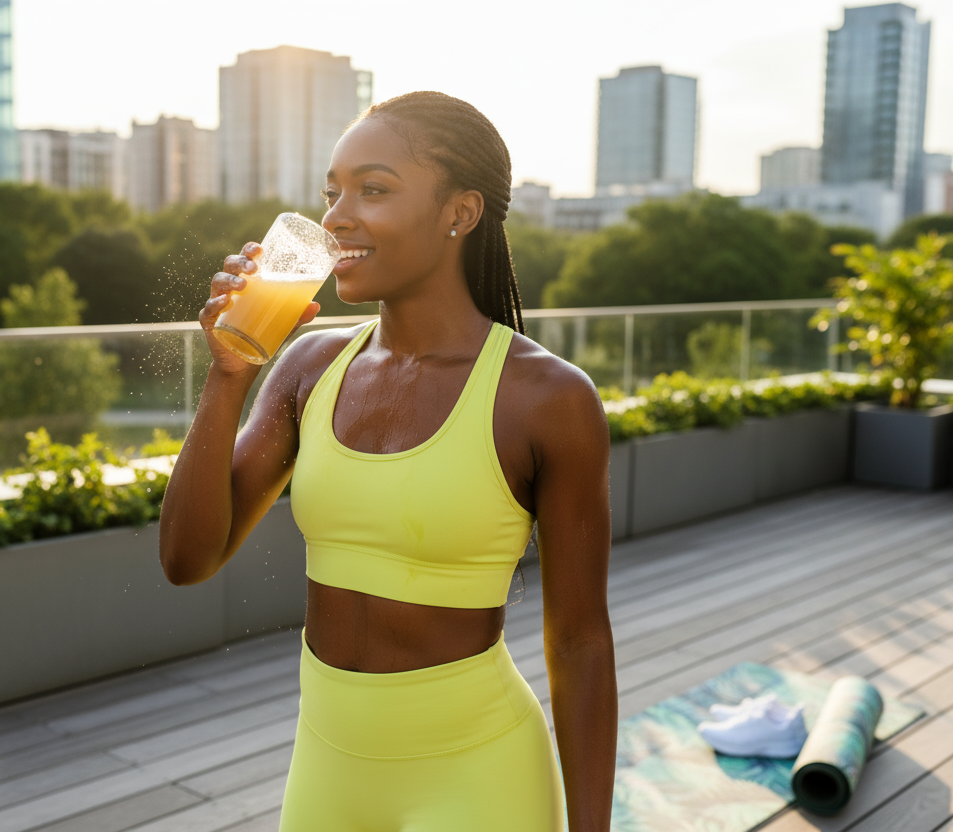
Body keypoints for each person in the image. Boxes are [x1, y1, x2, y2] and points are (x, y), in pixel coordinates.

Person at [159, 91, 616, 832]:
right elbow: (188, 557)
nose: (337, 216)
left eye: (372, 190)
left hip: (480, 773)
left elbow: (580, 639)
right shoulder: (308, 366)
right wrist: (228, 376)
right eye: (331, 191)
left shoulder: (546, 399)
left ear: (459, 214)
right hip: (328, 765)